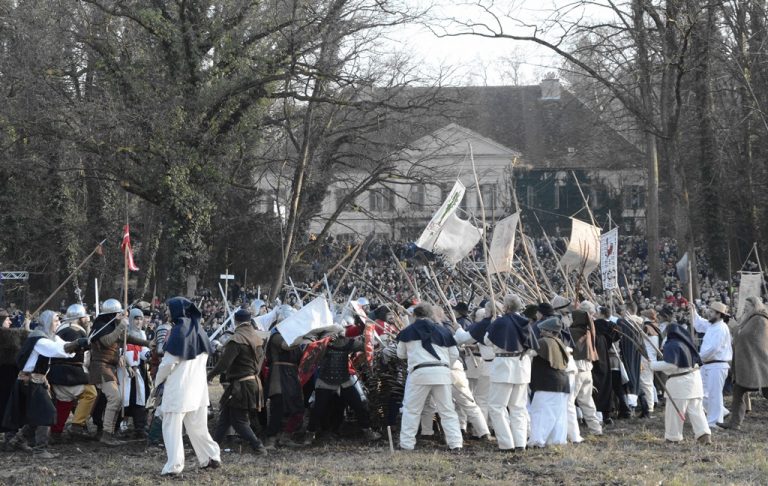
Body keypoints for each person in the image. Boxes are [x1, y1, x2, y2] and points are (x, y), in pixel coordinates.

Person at [3, 310, 87, 458]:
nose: (58, 324)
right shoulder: (40, 340)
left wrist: (80, 344)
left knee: (37, 414)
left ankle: (17, 440)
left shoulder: (49, 337)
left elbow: (64, 346)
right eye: (55, 321)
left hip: (35, 381)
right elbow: (57, 350)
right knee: (46, 412)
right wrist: (77, 343)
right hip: (30, 381)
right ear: (48, 322)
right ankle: (40, 450)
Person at [156, 297, 221, 477]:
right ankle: (211, 457)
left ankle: (173, 466)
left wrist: (157, 381)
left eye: (169, 309)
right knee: (198, 427)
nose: (167, 312)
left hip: (179, 389)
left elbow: (168, 363)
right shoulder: (199, 330)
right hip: (198, 390)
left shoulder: (179, 331)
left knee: (171, 428)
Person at [397, 303, 462, 452]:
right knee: (447, 411)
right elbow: (454, 354)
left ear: (414, 315)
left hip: (419, 373)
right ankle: (456, 443)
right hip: (442, 372)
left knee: (412, 410)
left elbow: (400, 354)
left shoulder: (408, 331)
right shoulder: (444, 331)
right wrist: (445, 366)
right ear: (431, 315)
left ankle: (407, 444)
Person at [88, 299, 151, 445]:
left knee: (112, 400)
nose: (122, 317)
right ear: (113, 315)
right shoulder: (102, 327)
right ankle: (106, 434)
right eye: (119, 315)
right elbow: (107, 341)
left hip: (110, 368)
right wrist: (121, 326)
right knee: (115, 399)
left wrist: (148, 343)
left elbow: (127, 338)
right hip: (101, 368)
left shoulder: (111, 327)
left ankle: (106, 432)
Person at [208, 308, 268, 455]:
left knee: (239, 421)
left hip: (240, 386)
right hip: (252, 381)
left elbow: (224, 364)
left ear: (236, 321)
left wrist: (209, 375)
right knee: (225, 418)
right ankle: (211, 448)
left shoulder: (237, 339)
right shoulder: (257, 338)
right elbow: (260, 363)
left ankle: (258, 446)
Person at [306, 328, 380, 442]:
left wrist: (368, 338)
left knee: (358, 405)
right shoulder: (323, 344)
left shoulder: (348, 342)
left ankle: (367, 430)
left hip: (344, 380)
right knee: (318, 408)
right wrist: (323, 341)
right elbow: (313, 353)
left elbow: (366, 347)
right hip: (325, 380)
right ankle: (310, 434)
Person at [484, 294, 536, 451]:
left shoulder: (500, 322)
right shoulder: (526, 323)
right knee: (518, 407)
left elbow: (487, 341)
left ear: (506, 307)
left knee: (496, 406)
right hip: (521, 366)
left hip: (503, 366)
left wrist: (493, 326)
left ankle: (506, 444)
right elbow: (532, 346)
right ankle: (520, 442)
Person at [650, 323, 711, 444]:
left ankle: (673, 437)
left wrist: (653, 365)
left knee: (675, 412)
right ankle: (704, 434)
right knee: (696, 411)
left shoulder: (672, 345)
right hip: (695, 382)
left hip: (680, 384)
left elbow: (672, 365)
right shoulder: (687, 344)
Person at [48, 303, 97, 440]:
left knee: (64, 401)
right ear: (78, 318)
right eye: (84, 317)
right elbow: (69, 351)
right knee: (90, 393)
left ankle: (56, 432)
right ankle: (76, 426)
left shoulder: (62, 330)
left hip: (59, 373)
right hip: (68, 372)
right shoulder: (73, 332)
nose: (87, 319)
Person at [718, 296, 768, 430]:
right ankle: (735, 424)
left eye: (748, 307)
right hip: (748, 365)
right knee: (738, 391)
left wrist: (735, 328)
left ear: (755, 306)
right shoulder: (750, 319)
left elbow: (747, 337)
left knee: (765, 391)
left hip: (759, 365)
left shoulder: (760, 320)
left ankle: (735, 423)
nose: (745, 309)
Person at [264, 305, 306, 449]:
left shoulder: (294, 336)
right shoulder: (275, 335)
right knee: (278, 407)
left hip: (292, 375)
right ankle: (271, 438)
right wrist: (303, 337)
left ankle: (285, 436)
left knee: (296, 406)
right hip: (278, 373)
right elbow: (286, 345)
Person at [528, 317, 569, 448]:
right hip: (563, 383)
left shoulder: (544, 342)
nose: (540, 333)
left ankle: (537, 441)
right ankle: (557, 441)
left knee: (540, 412)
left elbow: (530, 352)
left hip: (548, 383)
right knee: (558, 415)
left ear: (551, 332)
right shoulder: (560, 342)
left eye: (544, 330)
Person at [692, 301, 732, 428]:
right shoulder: (711, 325)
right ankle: (722, 411)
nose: (709, 314)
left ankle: (714, 421)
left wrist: (698, 357)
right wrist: (693, 311)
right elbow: (699, 324)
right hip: (707, 364)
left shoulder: (721, 328)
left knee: (714, 394)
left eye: (711, 312)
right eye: (709, 311)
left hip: (717, 365)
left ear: (719, 315)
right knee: (698, 391)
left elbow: (714, 348)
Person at [569, 301, 602, 435]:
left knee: (569, 401)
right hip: (587, 368)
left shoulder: (575, 331)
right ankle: (596, 428)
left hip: (577, 367)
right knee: (587, 400)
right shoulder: (589, 329)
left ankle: (572, 433)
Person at [118, 309, 151, 439]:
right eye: (136, 319)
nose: (138, 322)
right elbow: (120, 352)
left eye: (140, 319)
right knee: (124, 399)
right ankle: (117, 427)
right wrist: (127, 365)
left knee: (139, 399)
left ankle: (139, 427)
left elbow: (143, 352)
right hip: (125, 371)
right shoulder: (123, 333)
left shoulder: (142, 334)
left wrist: (151, 354)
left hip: (137, 371)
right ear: (131, 319)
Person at [637, 308, 662, 418]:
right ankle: (652, 402)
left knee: (646, 382)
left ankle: (649, 407)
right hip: (651, 358)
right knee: (649, 382)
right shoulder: (655, 327)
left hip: (646, 358)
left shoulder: (647, 328)